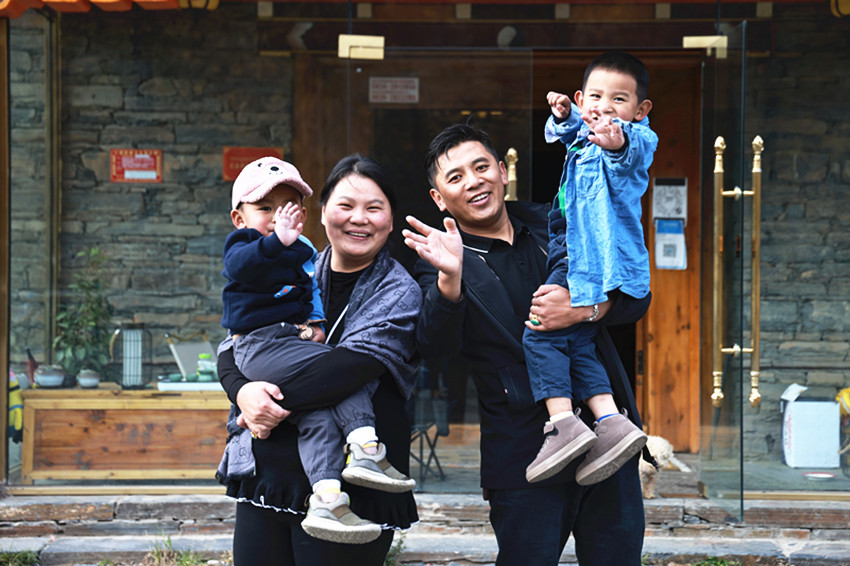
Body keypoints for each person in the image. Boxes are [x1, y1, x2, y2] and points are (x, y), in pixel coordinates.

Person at [403, 123, 652, 566]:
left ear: (502, 172)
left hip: (606, 434)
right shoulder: (438, 259)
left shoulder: (555, 221)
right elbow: (434, 347)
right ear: (439, 198)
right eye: (456, 176)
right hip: (525, 451)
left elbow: (636, 297)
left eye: (481, 167)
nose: (474, 181)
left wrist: (583, 311)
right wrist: (450, 278)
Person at [217, 154, 422, 565]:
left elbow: (347, 369)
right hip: (271, 473)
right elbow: (234, 344)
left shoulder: (399, 290)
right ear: (324, 212)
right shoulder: (290, 265)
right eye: (345, 205)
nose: (359, 218)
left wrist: (264, 401)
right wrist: (242, 394)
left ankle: (364, 455)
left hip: (353, 485)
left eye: (374, 207)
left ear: (390, 219)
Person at [522, 51, 657, 486]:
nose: (605, 107)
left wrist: (617, 140)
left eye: (619, 99)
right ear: (582, 99)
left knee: (539, 328)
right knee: (577, 341)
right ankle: (611, 421)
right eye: (596, 97)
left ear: (640, 110)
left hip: (586, 255)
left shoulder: (631, 138)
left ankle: (562, 423)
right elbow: (567, 134)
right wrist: (564, 116)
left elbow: (630, 151)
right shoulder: (583, 133)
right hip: (571, 248)